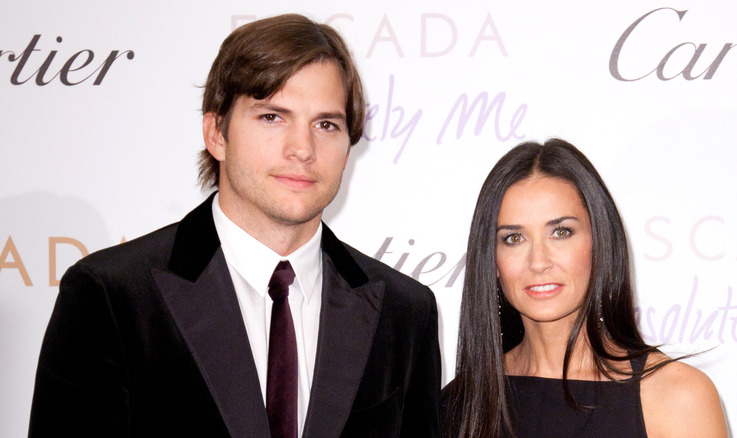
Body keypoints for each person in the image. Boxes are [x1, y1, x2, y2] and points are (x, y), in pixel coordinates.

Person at [29, 14, 440, 438]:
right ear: (216, 133)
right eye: (272, 117)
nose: (303, 149)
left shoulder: (404, 312)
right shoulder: (112, 297)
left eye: (326, 124)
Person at [442, 139, 727, 437]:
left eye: (561, 232)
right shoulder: (458, 403)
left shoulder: (676, 397)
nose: (538, 262)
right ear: (491, 260)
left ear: (600, 244)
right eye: (514, 238)